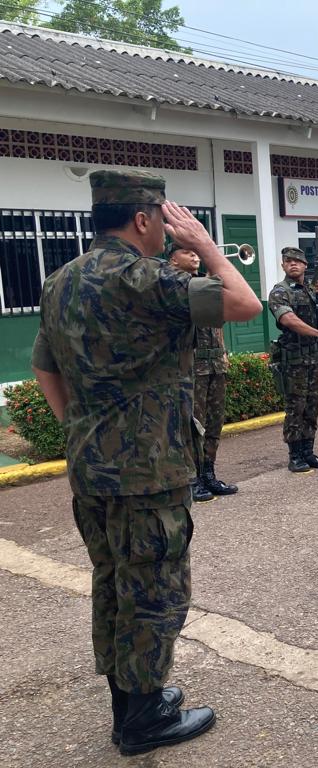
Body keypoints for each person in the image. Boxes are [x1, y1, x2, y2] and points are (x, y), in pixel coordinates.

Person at [30, 170, 261, 755]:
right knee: (155, 590)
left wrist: (80, 431)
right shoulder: (146, 278)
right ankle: (140, 722)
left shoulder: (61, 280)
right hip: (147, 472)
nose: (168, 228)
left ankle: (134, 698)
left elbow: (45, 369)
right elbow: (243, 303)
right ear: (143, 219)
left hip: (93, 469)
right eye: (165, 217)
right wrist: (207, 248)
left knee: (113, 581)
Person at [167, 247, 237, 501]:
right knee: (192, 426)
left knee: (214, 424)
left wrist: (215, 267)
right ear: (173, 258)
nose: (195, 256)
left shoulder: (206, 285)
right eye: (188, 252)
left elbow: (230, 306)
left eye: (198, 253)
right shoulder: (173, 286)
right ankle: (193, 478)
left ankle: (208, 473)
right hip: (191, 369)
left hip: (216, 365)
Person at [267, 247, 318, 471]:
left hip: (314, 356)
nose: (293, 264)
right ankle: (295, 455)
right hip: (294, 358)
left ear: (305, 266)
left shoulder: (312, 289)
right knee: (295, 406)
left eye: (297, 261)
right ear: (282, 265)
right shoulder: (280, 292)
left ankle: (308, 451)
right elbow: (288, 319)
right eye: (288, 261)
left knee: (312, 405)